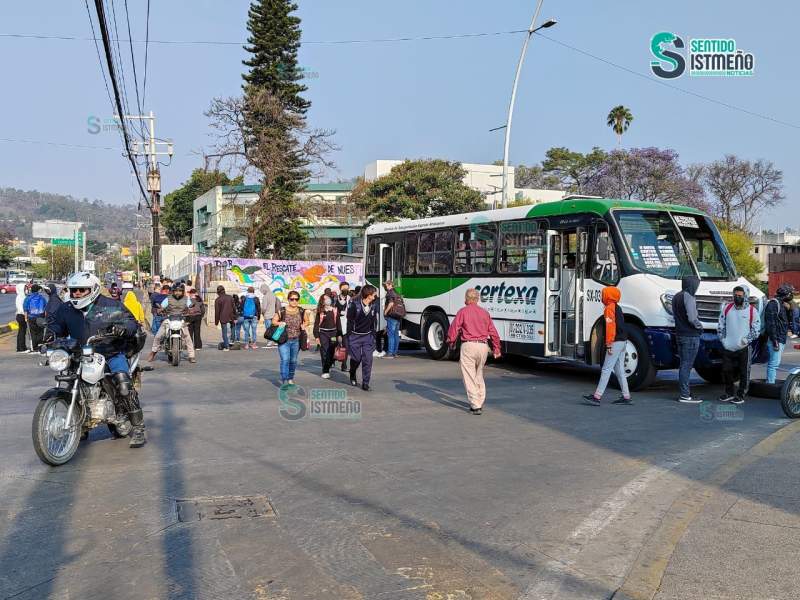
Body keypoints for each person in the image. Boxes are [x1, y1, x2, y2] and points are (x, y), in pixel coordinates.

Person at [49, 271, 146, 447]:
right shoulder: (66, 308)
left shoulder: (111, 305)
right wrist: (49, 336)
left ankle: (139, 428)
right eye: (73, 290)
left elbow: (131, 322)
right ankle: (81, 426)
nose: (76, 294)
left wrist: (123, 329)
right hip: (79, 354)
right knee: (72, 385)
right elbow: (56, 328)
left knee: (123, 385)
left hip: (110, 351)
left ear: (93, 289)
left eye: (81, 290)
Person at [446, 288, 502, 415]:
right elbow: (493, 332)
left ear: (467, 298)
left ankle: (475, 405)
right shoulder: (484, 313)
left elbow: (454, 328)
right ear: (477, 299)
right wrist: (496, 348)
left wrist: (450, 341)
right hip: (483, 346)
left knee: (469, 376)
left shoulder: (463, 312)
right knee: (478, 374)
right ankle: (480, 399)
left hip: (469, 346)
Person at [583, 286, 633, 406]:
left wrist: (609, 344)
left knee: (606, 369)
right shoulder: (618, 308)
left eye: (603, 294)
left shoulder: (609, 308)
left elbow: (611, 328)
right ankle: (626, 396)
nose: (601, 296)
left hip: (615, 342)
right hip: (623, 341)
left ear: (608, 296)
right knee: (619, 370)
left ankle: (597, 397)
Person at [717, 285, 760, 404]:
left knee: (744, 371)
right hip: (728, 347)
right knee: (726, 371)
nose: (737, 297)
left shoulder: (752, 311)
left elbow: (756, 329)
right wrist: (723, 340)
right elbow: (721, 324)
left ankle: (741, 394)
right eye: (735, 295)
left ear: (745, 295)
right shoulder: (727, 308)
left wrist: (746, 340)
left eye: (740, 295)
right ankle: (729, 393)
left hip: (744, 347)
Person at [672, 276, 703, 403]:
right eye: (696, 285)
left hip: (679, 333)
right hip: (690, 335)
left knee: (683, 364)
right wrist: (699, 326)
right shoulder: (689, 297)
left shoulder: (676, 296)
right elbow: (692, 318)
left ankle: (685, 393)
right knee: (687, 365)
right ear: (692, 285)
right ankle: (685, 395)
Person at [147, 284, 196, 364]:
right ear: (173, 291)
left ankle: (191, 355)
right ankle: (153, 352)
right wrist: (160, 309)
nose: (178, 292)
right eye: (176, 291)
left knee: (188, 338)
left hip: (181, 319)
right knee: (158, 336)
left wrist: (191, 310)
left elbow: (190, 306)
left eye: (180, 291)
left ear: (182, 292)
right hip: (169, 319)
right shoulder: (168, 299)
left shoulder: (186, 299)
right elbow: (162, 306)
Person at [272, 290, 311, 385]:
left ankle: (290, 378)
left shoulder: (302, 311)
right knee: (285, 360)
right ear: (288, 300)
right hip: (283, 340)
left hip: (296, 340)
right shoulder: (282, 310)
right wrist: (279, 323)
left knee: (293, 360)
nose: (294, 301)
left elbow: (307, 321)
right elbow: (274, 321)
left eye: (296, 299)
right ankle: (285, 379)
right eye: (292, 299)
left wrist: (304, 325)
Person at [346, 285, 379, 391]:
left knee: (368, 360)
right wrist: (348, 337)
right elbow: (349, 321)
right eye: (374, 294)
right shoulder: (354, 305)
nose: (375, 296)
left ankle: (365, 382)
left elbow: (374, 322)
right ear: (368, 295)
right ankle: (352, 373)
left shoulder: (373, 306)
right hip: (355, 336)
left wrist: (373, 337)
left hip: (367, 337)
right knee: (356, 358)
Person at [764, 284, 794, 384]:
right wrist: (775, 340)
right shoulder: (773, 304)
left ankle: (770, 382)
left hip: (781, 338)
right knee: (773, 364)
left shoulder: (783, 304)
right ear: (785, 294)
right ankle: (770, 384)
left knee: (775, 363)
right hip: (775, 339)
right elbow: (770, 323)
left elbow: (788, 321)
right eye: (790, 293)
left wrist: (790, 309)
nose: (791, 295)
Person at [314, 294, 342, 379]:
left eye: (328, 298)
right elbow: (316, 324)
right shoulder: (320, 311)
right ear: (322, 301)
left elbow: (338, 323)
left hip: (333, 333)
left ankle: (329, 364)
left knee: (332, 351)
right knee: (324, 351)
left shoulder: (335, 310)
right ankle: (325, 371)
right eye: (325, 299)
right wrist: (316, 336)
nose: (327, 300)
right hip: (323, 334)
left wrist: (340, 334)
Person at [23, 284, 48, 352]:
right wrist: (45, 317)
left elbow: (25, 309)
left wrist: (25, 318)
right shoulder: (42, 298)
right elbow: (46, 308)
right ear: (38, 290)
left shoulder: (28, 298)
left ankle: (34, 347)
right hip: (41, 317)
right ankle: (39, 346)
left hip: (31, 317)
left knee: (33, 332)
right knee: (40, 332)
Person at [382, 280, 403, 359]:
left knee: (390, 335)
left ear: (390, 285)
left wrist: (386, 312)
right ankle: (395, 353)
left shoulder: (390, 293)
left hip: (392, 316)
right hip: (398, 316)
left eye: (386, 285)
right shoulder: (397, 293)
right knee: (396, 335)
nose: (385, 287)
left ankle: (390, 353)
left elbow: (391, 303)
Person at [214, 286, 236, 351]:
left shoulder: (218, 300)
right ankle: (231, 341)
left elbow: (217, 312)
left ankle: (226, 347)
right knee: (232, 329)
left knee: (224, 332)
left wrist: (216, 321)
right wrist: (235, 316)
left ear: (218, 292)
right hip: (231, 316)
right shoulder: (230, 297)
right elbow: (234, 307)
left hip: (223, 317)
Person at [259, 283, 281, 348]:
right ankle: (275, 341)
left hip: (267, 315)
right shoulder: (273, 295)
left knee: (268, 329)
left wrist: (262, 313)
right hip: (274, 315)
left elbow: (264, 308)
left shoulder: (265, 297)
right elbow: (277, 304)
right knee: (274, 328)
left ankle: (269, 342)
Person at [336, 281, 352, 371]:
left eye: (347, 288)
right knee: (335, 344)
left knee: (346, 345)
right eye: (344, 288)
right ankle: (331, 361)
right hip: (336, 323)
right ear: (340, 288)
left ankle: (344, 365)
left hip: (346, 323)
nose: (346, 290)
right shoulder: (335, 298)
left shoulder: (350, 298)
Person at [14, 283, 29, 353]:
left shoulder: (22, 296)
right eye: (25, 289)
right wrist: (26, 315)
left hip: (21, 315)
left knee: (22, 332)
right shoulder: (20, 297)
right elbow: (21, 308)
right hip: (21, 315)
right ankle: (21, 348)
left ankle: (21, 347)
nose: (27, 290)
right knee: (22, 332)